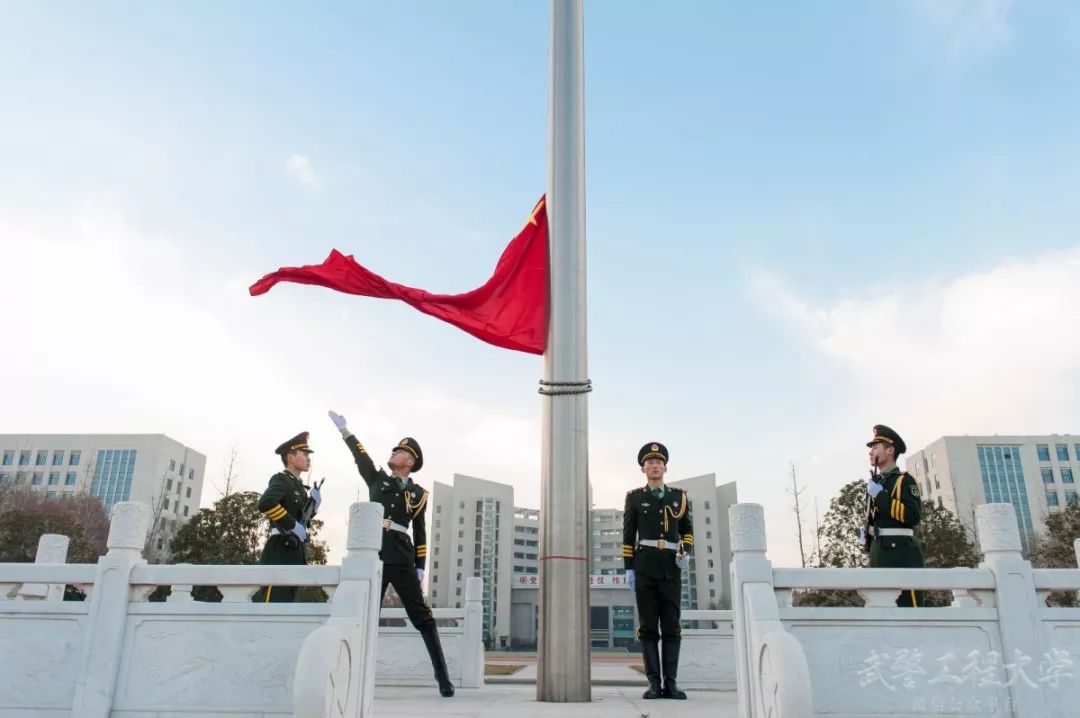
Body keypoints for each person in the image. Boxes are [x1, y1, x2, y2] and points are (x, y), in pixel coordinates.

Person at [328, 410, 455, 697]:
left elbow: (421, 532)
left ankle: (442, 677)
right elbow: (362, 458)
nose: (393, 452)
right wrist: (346, 432)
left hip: (400, 555)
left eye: (398, 451)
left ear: (408, 461)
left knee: (422, 616)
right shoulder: (378, 480)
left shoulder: (418, 494)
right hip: (373, 554)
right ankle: (351, 674)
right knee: (365, 614)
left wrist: (420, 566)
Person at [622, 442, 694, 700]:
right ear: (643, 468)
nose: (655, 466)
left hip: (671, 569)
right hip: (645, 569)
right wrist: (628, 569)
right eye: (650, 462)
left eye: (659, 462)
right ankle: (654, 683)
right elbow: (628, 537)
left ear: (665, 467)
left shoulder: (680, 497)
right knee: (649, 628)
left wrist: (686, 550)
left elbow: (687, 531)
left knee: (672, 627)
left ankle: (671, 684)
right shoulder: (635, 498)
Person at [255, 431, 321, 603]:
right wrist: (292, 525)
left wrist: (314, 505)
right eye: (304, 454)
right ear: (291, 457)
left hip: (296, 549)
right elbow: (266, 503)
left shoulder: (299, 486)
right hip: (280, 547)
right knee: (273, 600)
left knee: (286, 603)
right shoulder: (281, 480)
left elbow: (303, 518)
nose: (308, 458)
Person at [863, 424, 924, 607]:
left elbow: (912, 516)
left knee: (908, 607)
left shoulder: (904, 480)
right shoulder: (876, 482)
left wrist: (880, 495)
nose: (871, 451)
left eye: (875, 447)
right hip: (878, 552)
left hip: (900, 553)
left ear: (890, 450)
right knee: (880, 608)